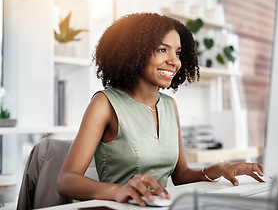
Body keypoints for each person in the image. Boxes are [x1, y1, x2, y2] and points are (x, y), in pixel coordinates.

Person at [57, 12, 264, 207]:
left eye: (178, 53)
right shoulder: (105, 103)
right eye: (162, 49)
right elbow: (66, 179)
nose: (174, 61)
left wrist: (217, 169)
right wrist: (118, 191)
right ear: (133, 51)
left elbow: (180, 174)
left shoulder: (169, 105)